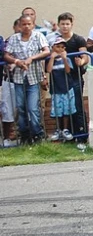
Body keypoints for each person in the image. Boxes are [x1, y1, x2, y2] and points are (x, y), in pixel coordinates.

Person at [3, 16, 50, 144]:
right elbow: (6, 54)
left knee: (33, 108)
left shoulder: (38, 36)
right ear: (20, 25)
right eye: (24, 24)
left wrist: (32, 58)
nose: (26, 26)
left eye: (29, 24)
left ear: (33, 25)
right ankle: (24, 135)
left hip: (34, 77)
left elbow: (46, 51)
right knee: (20, 107)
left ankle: (37, 134)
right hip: (18, 78)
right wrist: (16, 61)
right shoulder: (14, 38)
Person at [52, 13, 89, 140]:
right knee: (64, 109)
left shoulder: (78, 39)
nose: (65, 26)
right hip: (60, 80)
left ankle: (82, 135)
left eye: (67, 24)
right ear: (58, 25)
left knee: (77, 106)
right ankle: (68, 135)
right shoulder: (55, 41)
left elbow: (85, 55)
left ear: (72, 24)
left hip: (75, 78)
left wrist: (82, 62)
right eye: (62, 24)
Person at [46, 37, 77, 142]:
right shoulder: (50, 60)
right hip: (56, 89)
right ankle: (58, 129)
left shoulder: (67, 58)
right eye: (57, 47)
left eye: (62, 47)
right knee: (57, 110)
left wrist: (64, 59)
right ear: (53, 47)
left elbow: (68, 71)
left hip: (67, 88)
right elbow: (49, 70)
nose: (60, 49)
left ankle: (65, 129)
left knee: (67, 109)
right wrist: (52, 58)